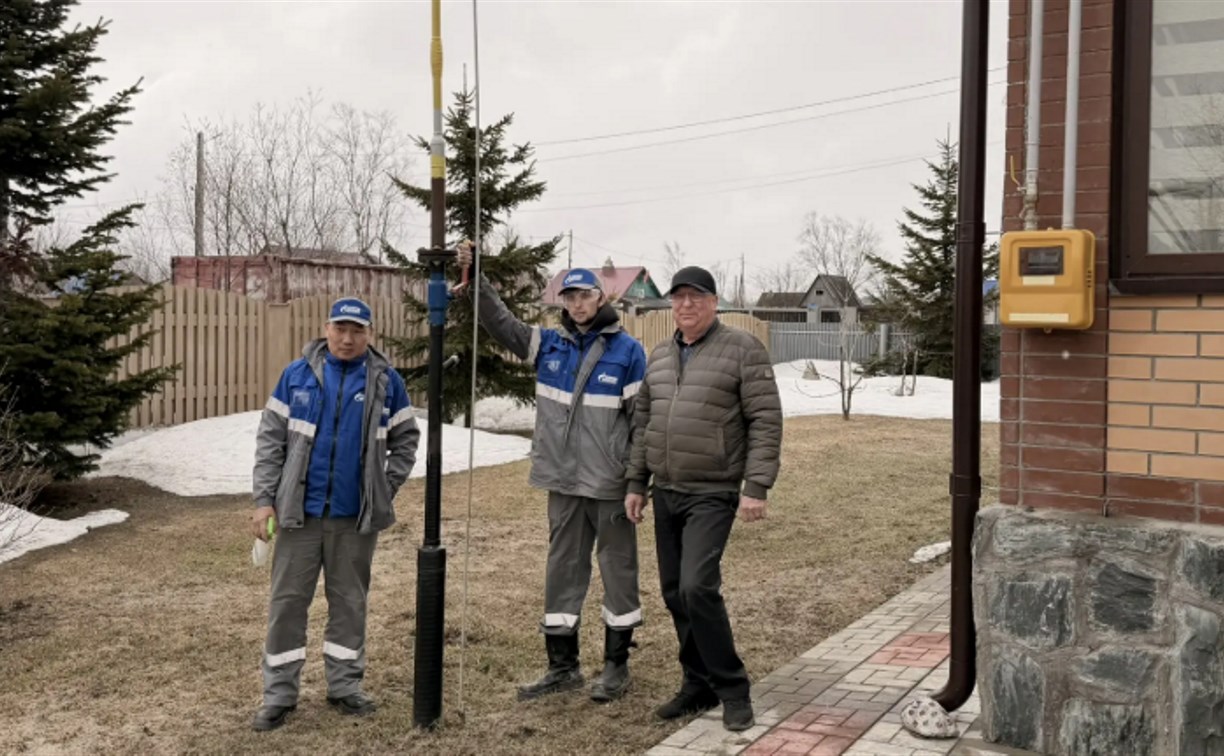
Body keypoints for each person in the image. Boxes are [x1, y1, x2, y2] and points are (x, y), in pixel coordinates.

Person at [456, 241, 647, 703]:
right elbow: (501, 323)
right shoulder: (548, 345)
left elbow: (643, 424)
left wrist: (638, 482)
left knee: (618, 570)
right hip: (562, 482)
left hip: (609, 484)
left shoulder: (628, 352)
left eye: (586, 296)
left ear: (601, 298)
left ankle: (616, 666)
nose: (578, 304)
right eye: (570, 297)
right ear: (562, 302)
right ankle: (562, 667)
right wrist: (476, 277)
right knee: (562, 569)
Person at [249, 296, 419, 732]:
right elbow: (270, 442)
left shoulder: (387, 381)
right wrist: (264, 500)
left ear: (369, 334)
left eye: (357, 331)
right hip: (298, 517)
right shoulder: (296, 375)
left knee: (349, 603)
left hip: (354, 520)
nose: (347, 338)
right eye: (340, 329)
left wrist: (383, 489)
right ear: (326, 329)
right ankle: (279, 695)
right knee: (287, 605)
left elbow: (406, 440)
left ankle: (345, 686)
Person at [624, 266, 782, 732]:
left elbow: (765, 419)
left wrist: (756, 486)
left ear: (714, 302)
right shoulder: (659, 355)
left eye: (696, 296)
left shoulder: (743, 349)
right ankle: (697, 684)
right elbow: (645, 424)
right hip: (667, 490)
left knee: (697, 587)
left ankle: (733, 688)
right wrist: (636, 482)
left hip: (713, 490)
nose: (686, 304)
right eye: (679, 297)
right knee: (675, 592)